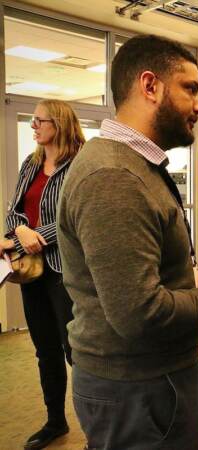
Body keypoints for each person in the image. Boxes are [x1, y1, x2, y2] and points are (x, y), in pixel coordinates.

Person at [57, 35, 198, 449]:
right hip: (136, 388)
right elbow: (138, 313)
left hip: (148, 381)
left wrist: (191, 280)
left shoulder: (134, 166)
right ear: (150, 86)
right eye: (190, 88)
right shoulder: (113, 177)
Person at [0, 99, 84, 450]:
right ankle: (55, 421)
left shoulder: (80, 164)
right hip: (31, 273)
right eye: (32, 121)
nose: (33, 126)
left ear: (59, 123)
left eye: (39, 120)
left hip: (66, 270)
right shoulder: (31, 163)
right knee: (45, 350)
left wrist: (40, 236)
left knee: (76, 352)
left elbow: (78, 216)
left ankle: (97, 425)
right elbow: (13, 209)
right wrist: (20, 231)